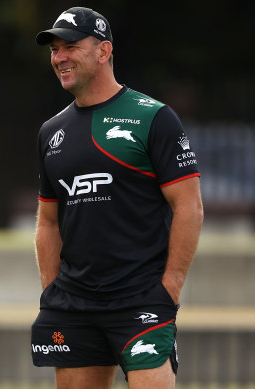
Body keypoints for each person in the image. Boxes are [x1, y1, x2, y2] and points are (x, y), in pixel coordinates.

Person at [30, 6, 203, 389]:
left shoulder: (154, 118)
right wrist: (52, 290)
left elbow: (188, 206)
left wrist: (170, 287)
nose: (59, 57)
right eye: (54, 50)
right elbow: (47, 222)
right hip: (73, 306)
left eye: (70, 46)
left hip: (141, 300)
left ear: (104, 51)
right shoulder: (50, 132)